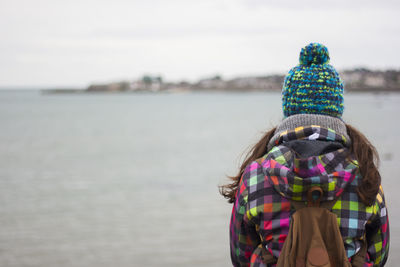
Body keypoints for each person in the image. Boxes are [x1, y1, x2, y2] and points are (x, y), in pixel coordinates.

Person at [220, 43, 389, 267]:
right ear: (336, 106)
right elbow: (379, 254)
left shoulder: (255, 175)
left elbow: (240, 255)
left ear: (288, 107)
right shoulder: (366, 174)